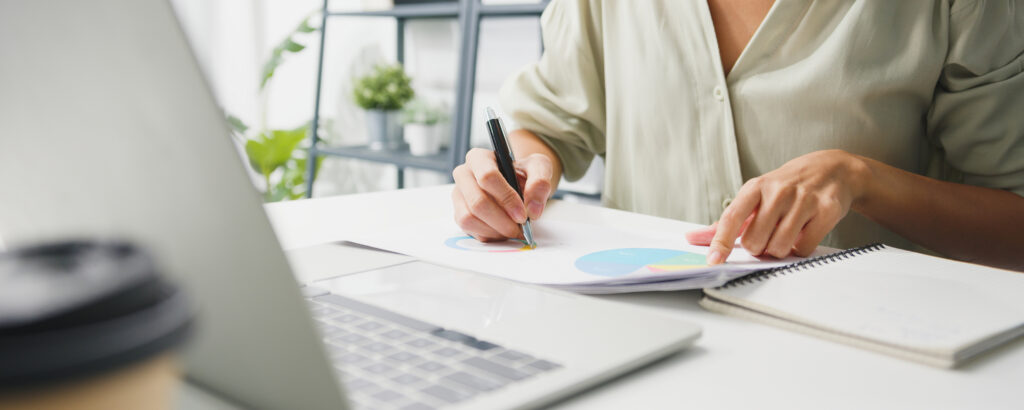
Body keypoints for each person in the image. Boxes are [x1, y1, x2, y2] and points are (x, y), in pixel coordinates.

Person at [451, 0, 1024, 271]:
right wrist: (519, 172)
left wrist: (862, 179)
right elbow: (545, 126)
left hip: (866, 362)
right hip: (636, 351)